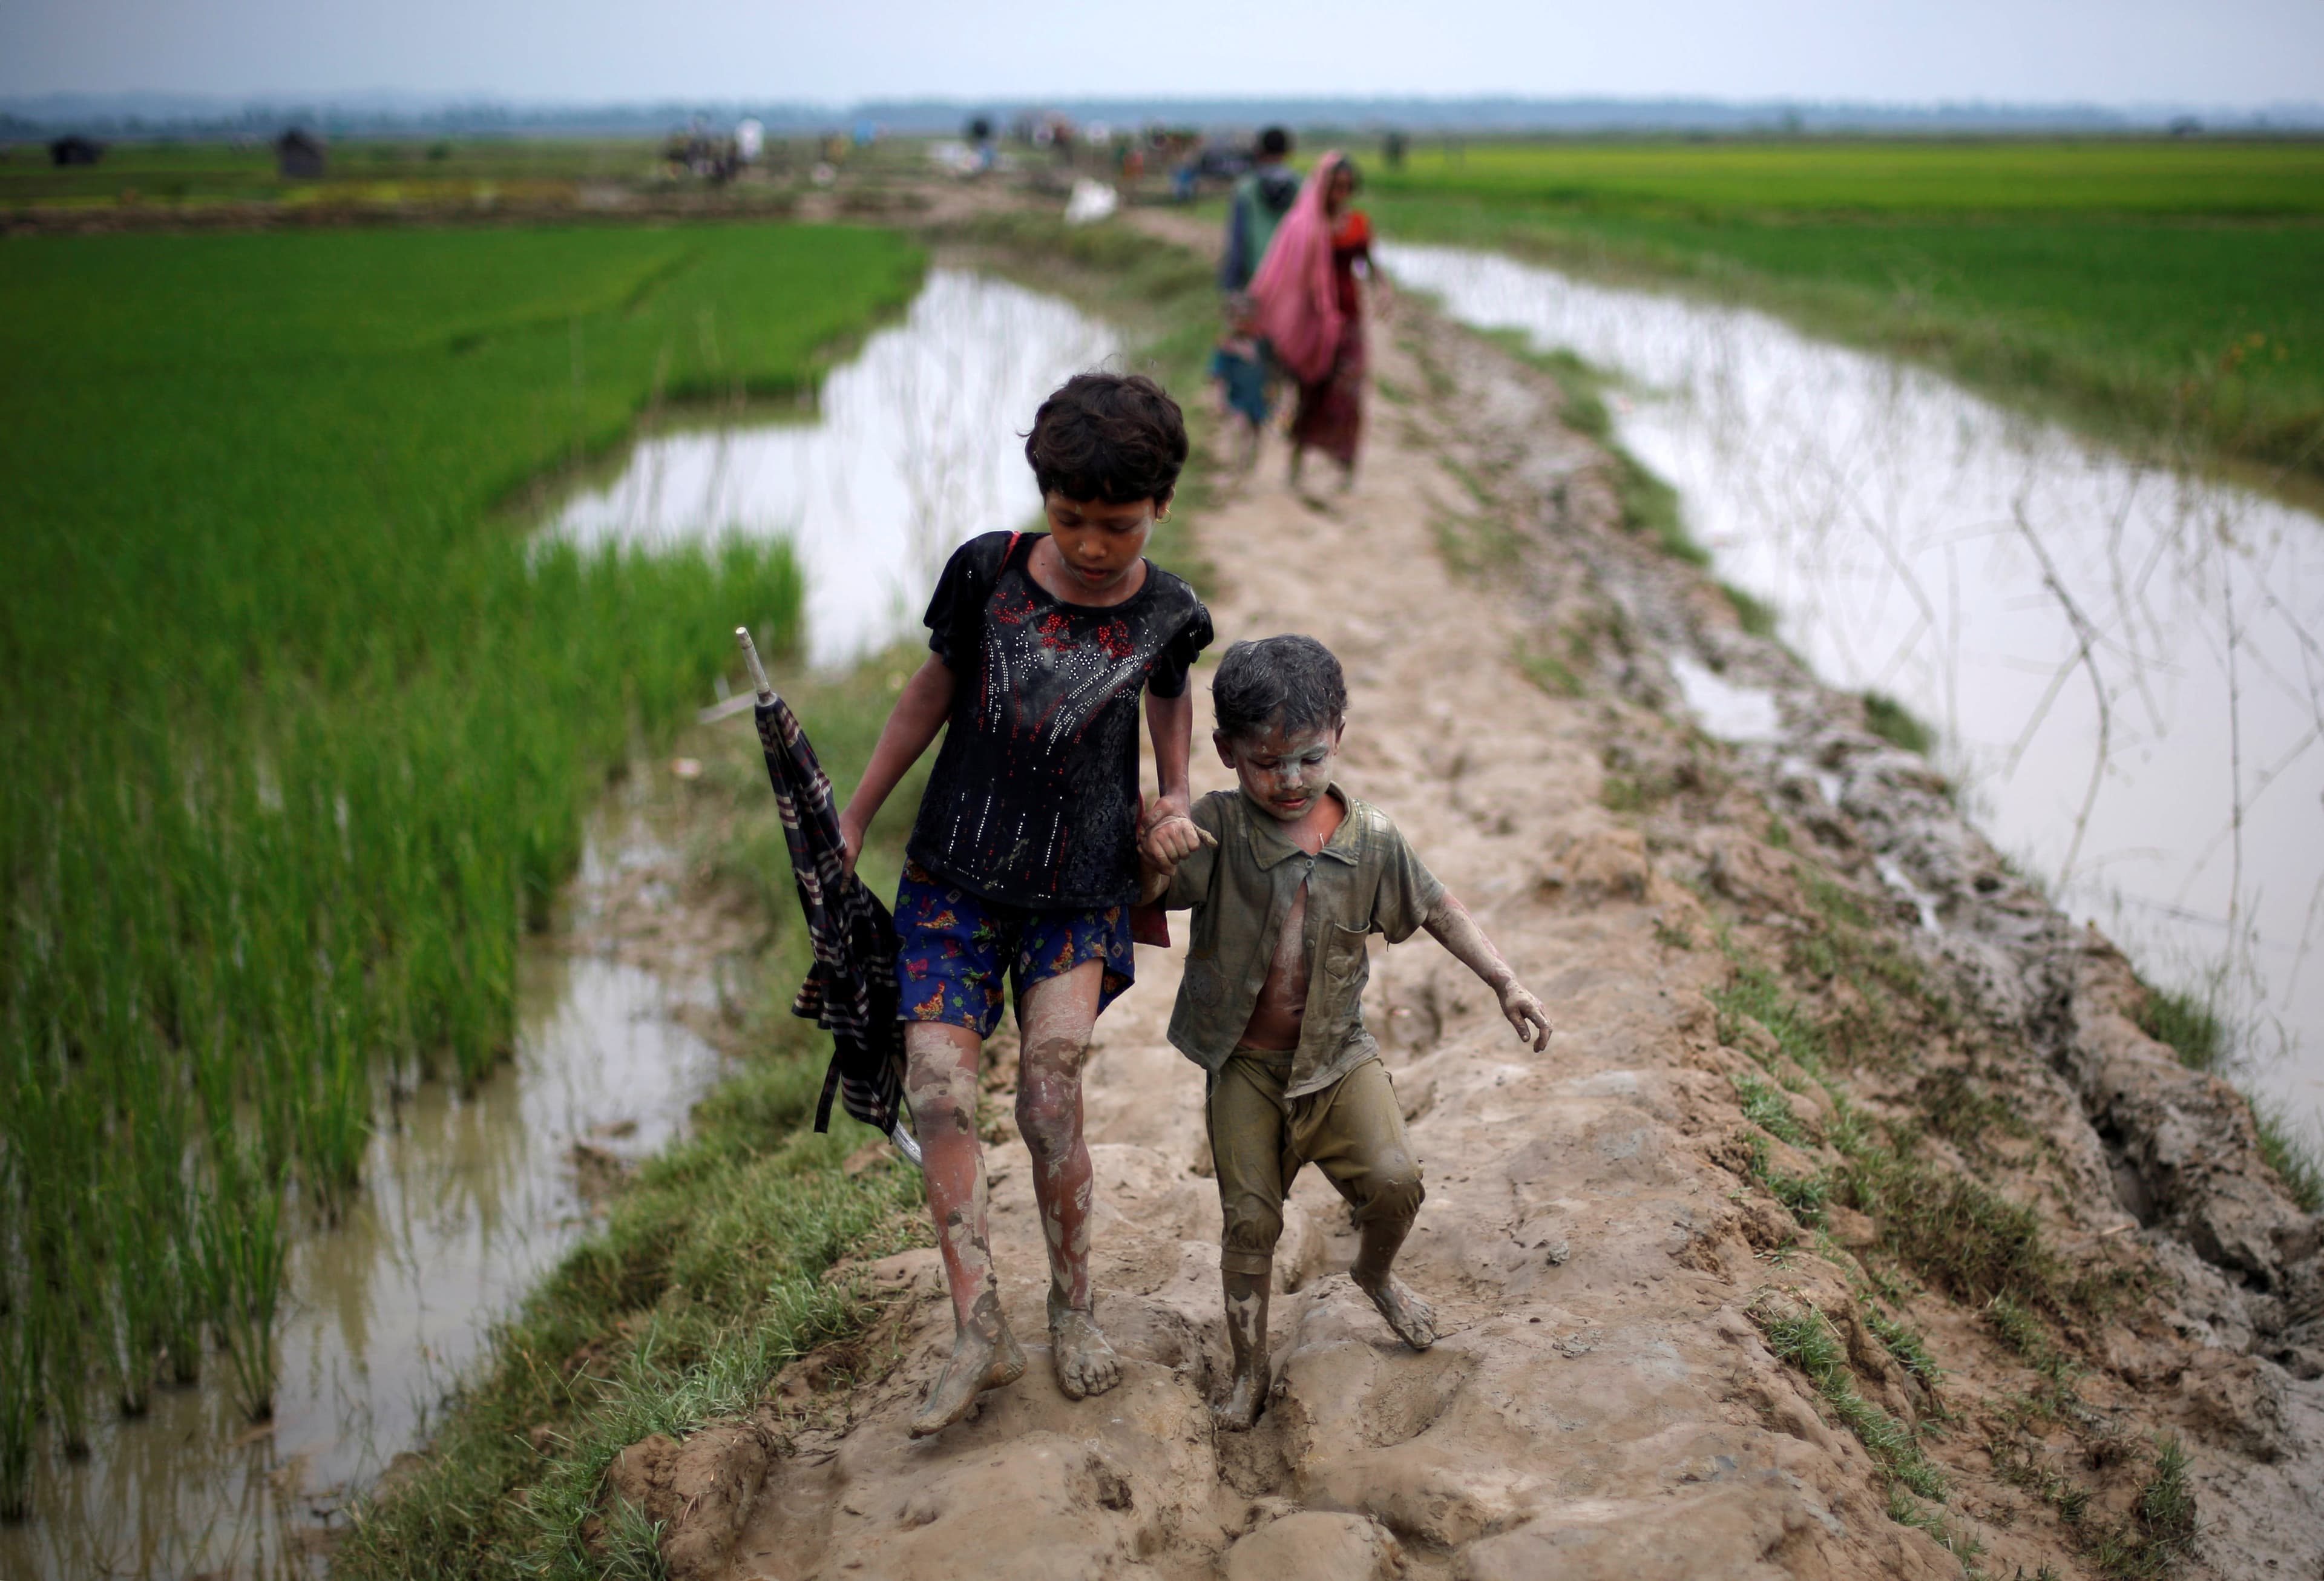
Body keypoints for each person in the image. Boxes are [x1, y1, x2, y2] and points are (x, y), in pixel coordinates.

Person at [839, 373, 1216, 1437]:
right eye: (1073, 518)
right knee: (939, 1093)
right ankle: (977, 1323)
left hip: (1077, 889)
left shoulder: (1169, 611)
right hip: (954, 877)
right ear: (1043, 495)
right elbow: (930, 692)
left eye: (1120, 524)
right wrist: (858, 812)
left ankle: (1076, 1306)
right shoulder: (988, 573)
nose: (1093, 544)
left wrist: (1174, 794)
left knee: (1051, 1093)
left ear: (1161, 507)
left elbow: (1170, 693)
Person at [1137, 636, 1552, 1430]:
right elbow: (1149, 893)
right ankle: (1251, 1368)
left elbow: (1436, 906)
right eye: (1267, 763)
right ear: (1225, 752)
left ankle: (1376, 1275)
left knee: (1397, 1182)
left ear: (1339, 739)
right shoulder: (1218, 826)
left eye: (1308, 759)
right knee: (1250, 1221)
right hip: (1246, 1067)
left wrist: (1506, 980)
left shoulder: (1370, 841)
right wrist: (1157, 849)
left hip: (1337, 1058)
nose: (1289, 780)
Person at [1247, 151, 1383, 495]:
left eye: (1347, 188)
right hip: (1314, 327)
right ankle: (1297, 464)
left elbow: (1367, 263)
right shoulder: (1302, 226)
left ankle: (1344, 468)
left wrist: (1383, 289)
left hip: (1349, 321)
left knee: (1348, 396)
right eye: (1335, 187)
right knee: (1311, 393)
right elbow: (1279, 274)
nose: (1340, 194)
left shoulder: (1357, 224)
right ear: (1322, 187)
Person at [1219, 126, 1300, 294]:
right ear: (1288, 151)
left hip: (1257, 277)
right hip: (1294, 277)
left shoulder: (1246, 189)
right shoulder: (1302, 188)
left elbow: (1237, 241)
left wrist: (1231, 286)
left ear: (1259, 151)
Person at [1207, 292, 1271, 473]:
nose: (1243, 323)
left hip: (1259, 398)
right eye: (1238, 319)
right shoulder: (1226, 347)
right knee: (1240, 428)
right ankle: (1237, 465)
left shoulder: (1261, 344)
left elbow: (1271, 369)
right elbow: (1219, 375)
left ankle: (1250, 466)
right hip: (1237, 398)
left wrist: (1276, 390)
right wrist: (1219, 400)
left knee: (1257, 433)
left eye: (1247, 318)